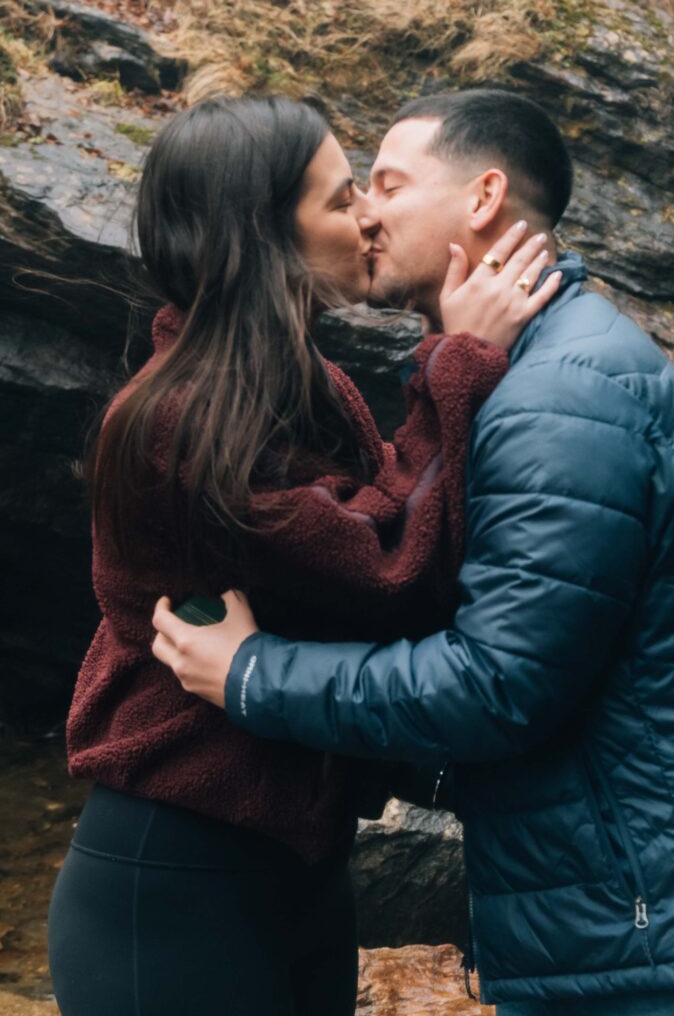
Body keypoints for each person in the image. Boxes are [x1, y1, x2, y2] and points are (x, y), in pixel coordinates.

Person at [152, 90, 674, 1016]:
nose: (366, 213)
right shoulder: (539, 371)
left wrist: (251, 675)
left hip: (628, 933)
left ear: (481, 198)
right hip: (601, 911)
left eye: (388, 183)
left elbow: (497, 685)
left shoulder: (559, 396)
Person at [48, 92, 556, 1016]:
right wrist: (460, 357)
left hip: (298, 861)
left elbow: (401, 535)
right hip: (171, 870)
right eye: (336, 199)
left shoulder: (311, 386)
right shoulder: (168, 424)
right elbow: (386, 567)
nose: (366, 214)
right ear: (259, 236)